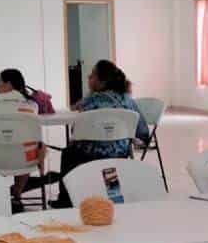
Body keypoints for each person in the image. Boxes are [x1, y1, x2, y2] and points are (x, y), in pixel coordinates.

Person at [54, 60, 148, 207]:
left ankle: (66, 201)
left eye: (92, 75)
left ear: (101, 81)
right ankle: (114, 196)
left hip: (89, 155)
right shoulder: (128, 100)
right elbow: (142, 130)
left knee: (68, 154)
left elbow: (76, 132)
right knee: (110, 156)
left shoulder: (91, 101)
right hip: (120, 154)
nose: (88, 77)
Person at [0, 69, 53, 208]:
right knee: (26, 146)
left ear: (9, 84)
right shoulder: (31, 105)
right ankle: (17, 194)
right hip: (25, 160)